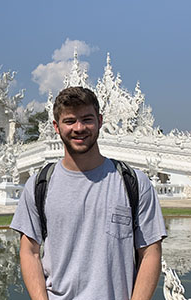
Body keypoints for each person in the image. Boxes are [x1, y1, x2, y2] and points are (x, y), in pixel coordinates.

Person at [10, 87, 167, 300]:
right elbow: (29, 251)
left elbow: (150, 252)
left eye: (87, 119)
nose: (79, 128)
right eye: (69, 121)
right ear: (56, 127)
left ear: (100, 121)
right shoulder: (39, 185)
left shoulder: (133, 182)